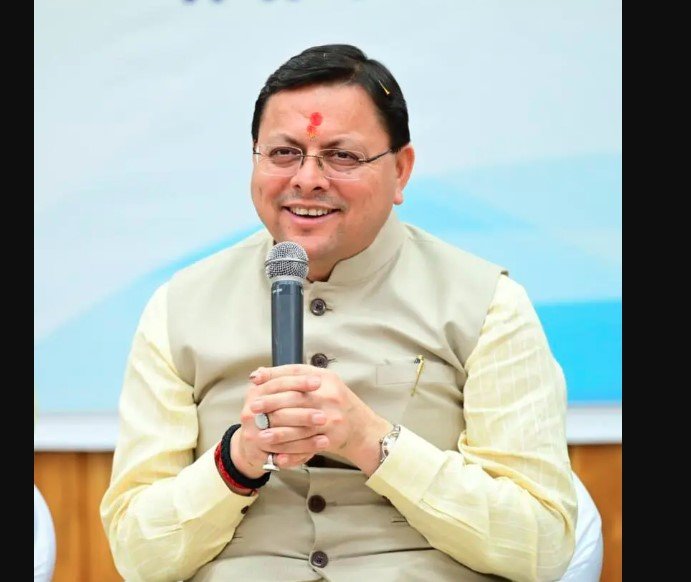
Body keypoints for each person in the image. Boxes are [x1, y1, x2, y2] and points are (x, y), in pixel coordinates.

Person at [100, 44, 577, 582]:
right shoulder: (179, 307)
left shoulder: (487, 304)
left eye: (342, 156)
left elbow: (540, 546)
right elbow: (137, 556)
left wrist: (370, 440)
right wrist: (237, 459)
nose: (307, 179)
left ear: (401, 170)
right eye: (283, 153)